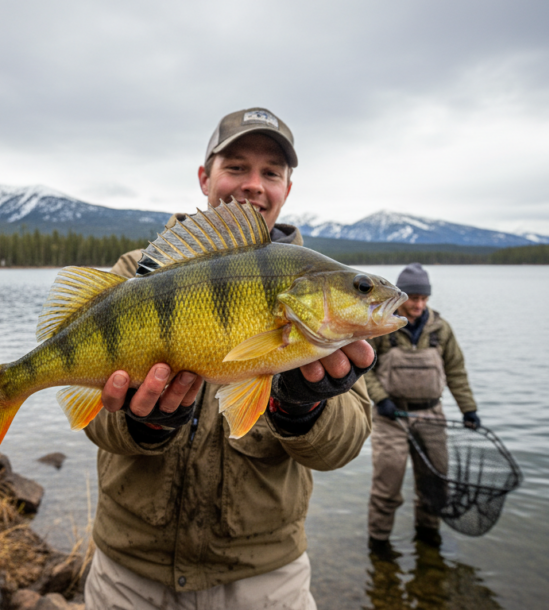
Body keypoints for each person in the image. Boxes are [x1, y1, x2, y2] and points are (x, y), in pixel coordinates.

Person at [82, 108, 377, 610]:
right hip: (131, 572)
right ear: (205, 177)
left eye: (271, 173)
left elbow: (342, 446)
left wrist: (302, 407)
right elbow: (92, 419)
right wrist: (143, 424)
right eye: (235, 167)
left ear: (287, 188)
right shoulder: (137, 275)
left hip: (263, 579)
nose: (252, 186)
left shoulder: (332, 315)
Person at [363, 263, 481, 550]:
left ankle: (429, 540)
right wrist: (382, 400)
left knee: (435, 483)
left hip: (432, 415)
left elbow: (456, 371)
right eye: (413, 298)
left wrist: (469, 409)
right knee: (386, 486)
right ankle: (378, 544)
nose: (418, 305)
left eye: (423, 299)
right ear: (401, 297)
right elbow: (365, 370)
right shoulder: (379, 325)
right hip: (390, 417)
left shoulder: (440, 329)